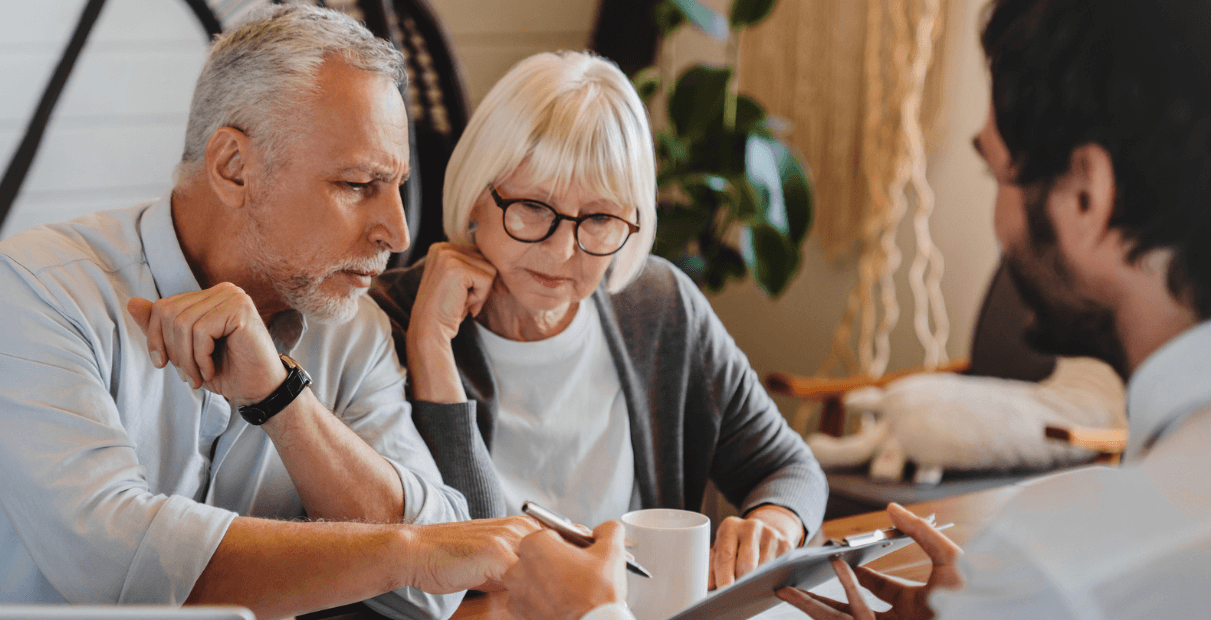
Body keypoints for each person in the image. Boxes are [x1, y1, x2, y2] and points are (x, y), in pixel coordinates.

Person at [504, 0, 1211, 618]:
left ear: (1086, 193)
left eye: (996, 173)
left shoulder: (1061, 560)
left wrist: (592, 613)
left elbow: (785, 464)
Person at [0, 6, 538, 620]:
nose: (397, 232)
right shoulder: (31, 292)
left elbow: (438, 589)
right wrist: (404, 553)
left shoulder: (354, 330)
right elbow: (115, 567)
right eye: (356, 184)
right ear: (234, 167)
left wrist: (283, 401)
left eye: (395, 186)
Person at [368, 50, 828, 591]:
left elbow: (790, 469)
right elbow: (456, 555)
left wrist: (774, 523)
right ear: (475, 195)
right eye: (534, 207)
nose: (563, 250)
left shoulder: (658, 305)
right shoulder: (389, 320)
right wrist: (430, 351)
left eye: (601, 218)